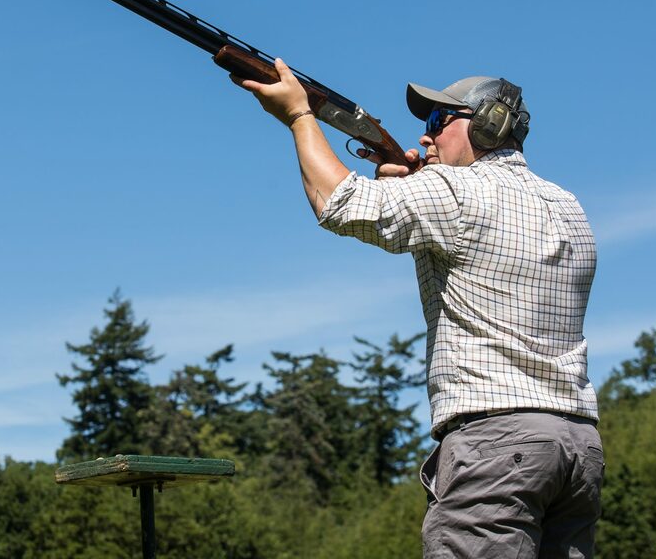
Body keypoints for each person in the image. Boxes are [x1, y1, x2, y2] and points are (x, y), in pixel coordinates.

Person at [234, 60, 603, 559]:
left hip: (497, 442)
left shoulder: (455, 191)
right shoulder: (567, 205)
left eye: (437, 122)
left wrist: (300, 116)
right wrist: (412, 182)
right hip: (576, 448)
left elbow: (339, 204)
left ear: (486, 124)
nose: (425, 138)